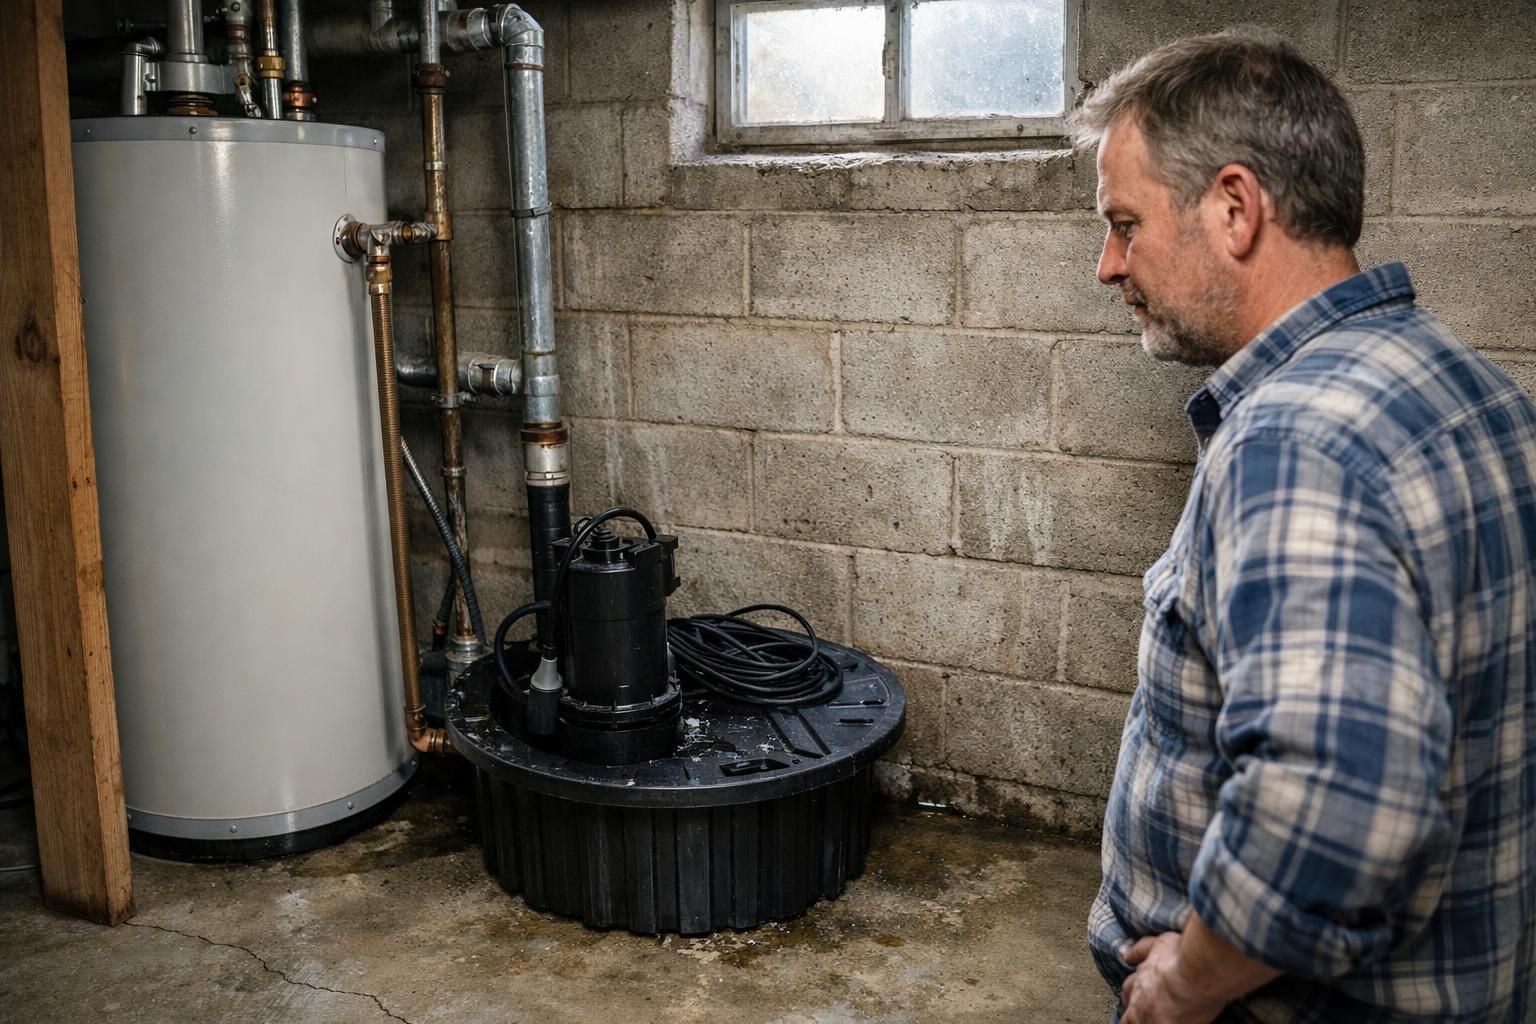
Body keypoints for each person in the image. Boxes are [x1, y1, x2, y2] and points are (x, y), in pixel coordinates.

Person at [1068, 27, 1536, 1024]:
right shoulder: (1473, 388)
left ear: (1234, 208)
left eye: (1123, 222)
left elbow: (1333, 806)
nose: (1108, 266)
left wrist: (1186, 981)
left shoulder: (1295, 442)